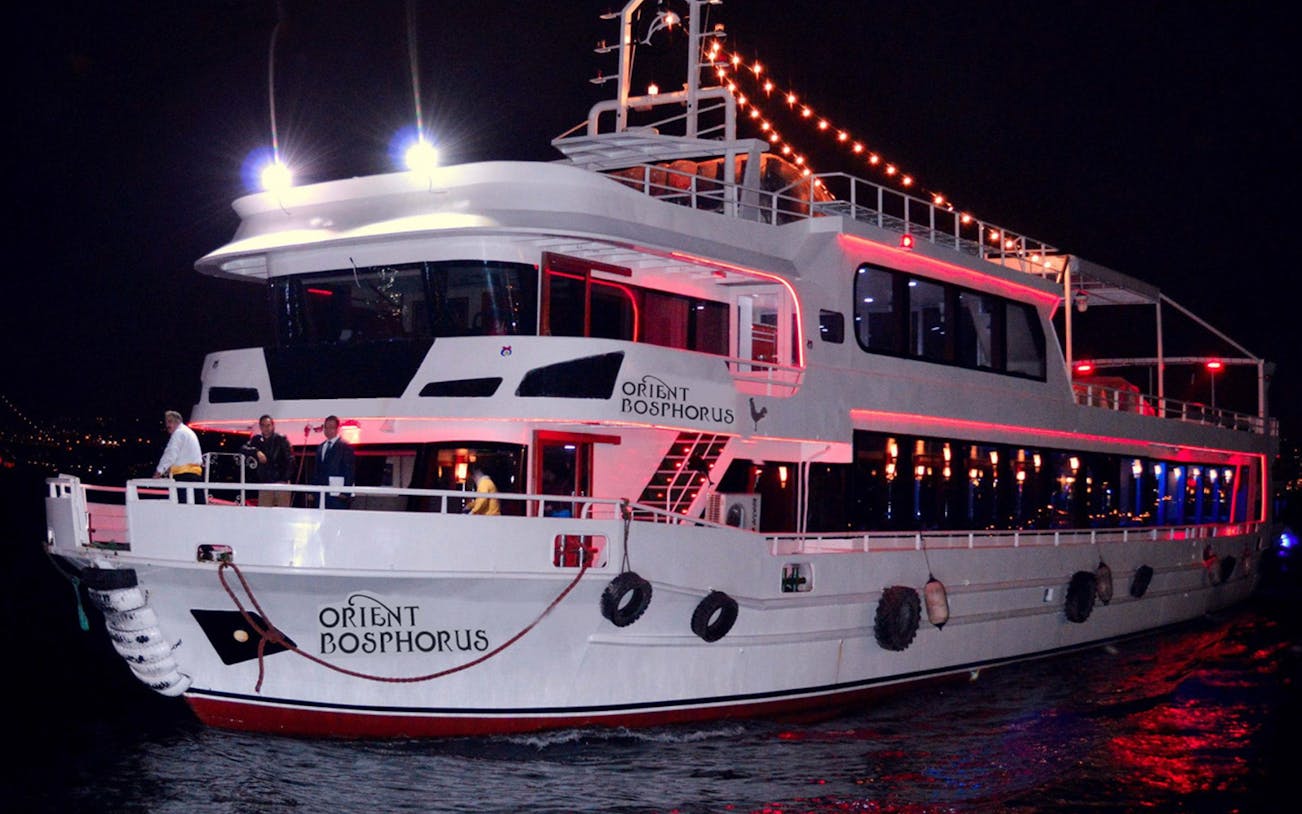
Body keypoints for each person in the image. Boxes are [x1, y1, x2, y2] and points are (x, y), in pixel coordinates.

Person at [154, 410, 205, 504]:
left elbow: (170, 453)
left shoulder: (179, 433)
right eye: (166, 422)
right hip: (195, 476)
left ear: (177, 421)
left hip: (184, 477)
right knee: (198, 508)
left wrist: (159, 471)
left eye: (169, 422)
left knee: (182, 508)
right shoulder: (188, 432)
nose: (167, 425)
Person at [246, 414, 293, 507]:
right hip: (265, 483)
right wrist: (256, 452)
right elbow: (243, 448)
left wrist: (284, 479)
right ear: (260, 427)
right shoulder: (256, 440)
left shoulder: (281, 439)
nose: (266, 428)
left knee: (283, 513)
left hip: (280, 483)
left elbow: (290, 460)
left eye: (268, 425)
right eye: (263, 425)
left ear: (273, 425)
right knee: (264, 514)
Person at [312, 415, 355, 509]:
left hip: (337, 493)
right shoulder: (321, 447)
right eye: (326, 427)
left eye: (331, 427)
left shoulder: (345, 446)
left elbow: (349, 471)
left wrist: (345, 492)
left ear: (337, 429)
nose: (328, 430)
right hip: (321, 492)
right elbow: (316, 470)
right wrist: (313, 490)